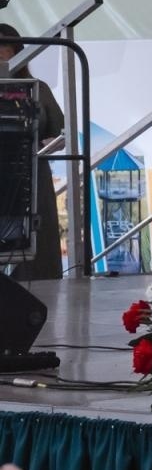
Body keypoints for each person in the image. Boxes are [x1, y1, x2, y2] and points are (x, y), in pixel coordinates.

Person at [0, 25, 64, 280]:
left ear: (17, 54)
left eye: (5, 51)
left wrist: (45, 145)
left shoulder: (38, 88)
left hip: (32, 176)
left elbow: (61, 133)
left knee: (38, 244)